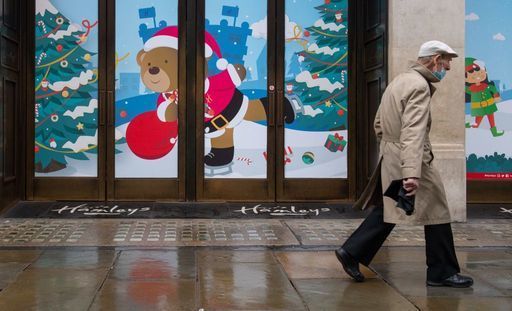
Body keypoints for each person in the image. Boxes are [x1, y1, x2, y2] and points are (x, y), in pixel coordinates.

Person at [335, 40, 473, 288]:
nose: (448, 67)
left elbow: (378, 122)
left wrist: (390, 150)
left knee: (392, 209)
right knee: (438, 212)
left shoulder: (400, 81)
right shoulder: (419, 86)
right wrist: (411, 171)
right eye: (446, 61)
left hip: (394, 155)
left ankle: (352, 252)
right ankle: (442, 272)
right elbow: (413, 131)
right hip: (414, 158)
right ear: (433, 59)